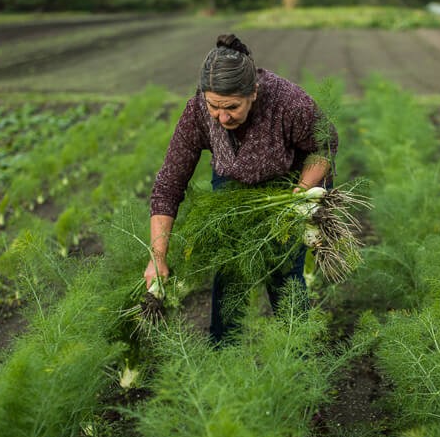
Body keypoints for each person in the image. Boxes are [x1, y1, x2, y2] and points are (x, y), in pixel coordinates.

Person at [144, 33, 338, 343]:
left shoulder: (289, 102)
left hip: (284, 188)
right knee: (229, 268)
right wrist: (158, 256)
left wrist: (299, 196)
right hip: (230, 192)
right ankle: (225, 354)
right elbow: (168, 185)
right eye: (213, 106)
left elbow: (324, 145)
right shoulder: (197, 112)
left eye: (232, 107)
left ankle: (299, 353)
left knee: (283, 270)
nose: (222, 117)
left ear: (254, 93)